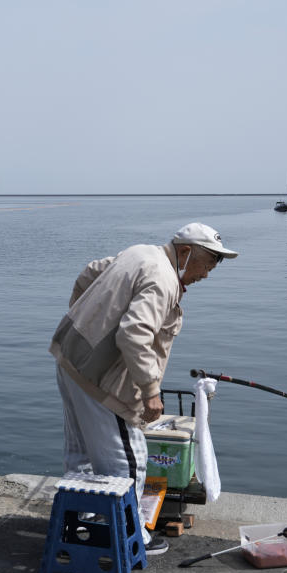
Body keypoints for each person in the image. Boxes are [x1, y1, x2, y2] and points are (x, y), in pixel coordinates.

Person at [49, 222, 238, 554]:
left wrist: (87, 320)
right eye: (207, 263)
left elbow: (89, 273)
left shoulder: (141, 253)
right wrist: (150, 390)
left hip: (69, 358)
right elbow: (133, 334)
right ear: (185, 252)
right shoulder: (163, 279)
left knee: (81, 456)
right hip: (99, 379)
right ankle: (127, 536)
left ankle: (79, 524)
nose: (207, 274)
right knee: (128, 460)